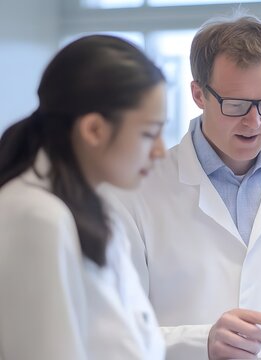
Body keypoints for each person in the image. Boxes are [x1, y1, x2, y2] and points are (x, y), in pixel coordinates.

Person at [103, 13, 261, 360]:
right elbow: (109, 330)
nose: (254, 122)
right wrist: (201, 342)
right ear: (199, 94)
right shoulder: (134, 191)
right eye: (237, 105)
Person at [0, 35, 167, 359]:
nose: (160, 150)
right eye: (149, 133)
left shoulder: (92, 208)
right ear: (93, 130)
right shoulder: (36, 216)